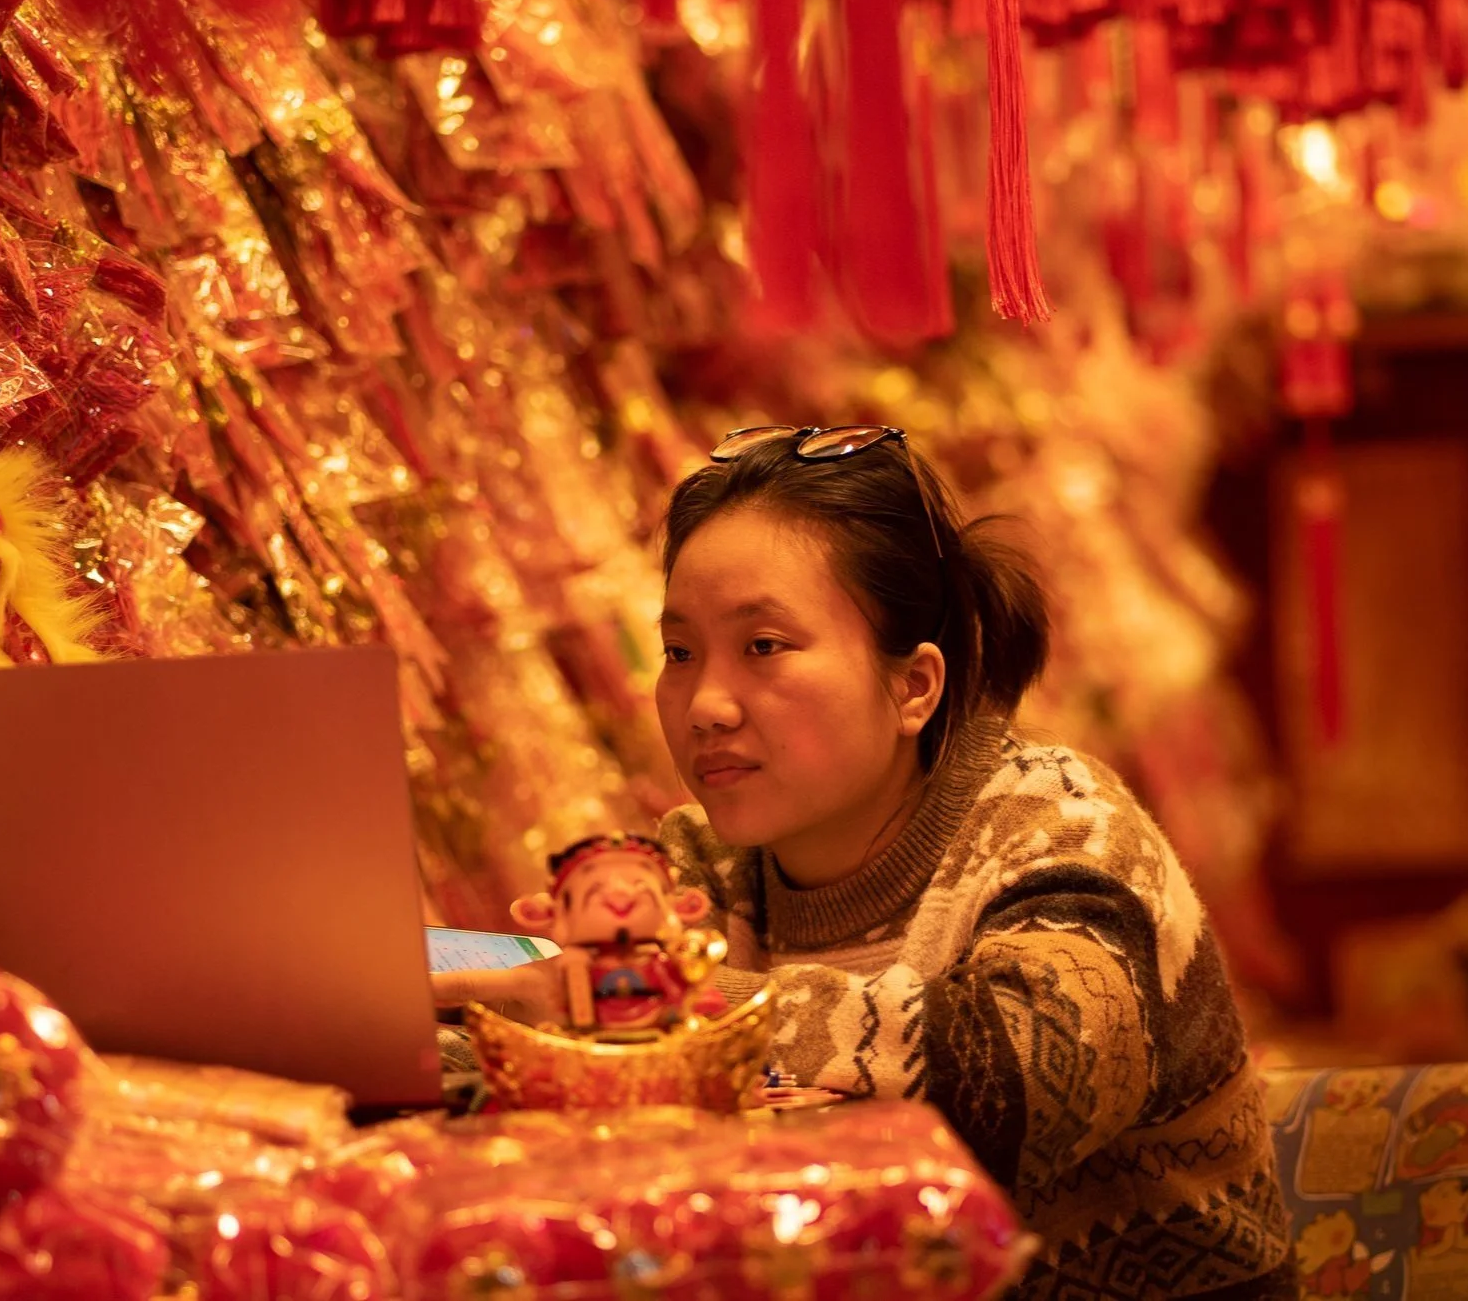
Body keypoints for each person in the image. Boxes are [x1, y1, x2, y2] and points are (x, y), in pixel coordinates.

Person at [437, 425, 1294, 1300]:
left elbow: (1025, 1080)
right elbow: (565, 1049)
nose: (705, 706)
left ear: (914, 686)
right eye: (680, 653)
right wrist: (479, 1015)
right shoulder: (698, 864)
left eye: (763, 647)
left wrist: (649, 993)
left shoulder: (1056, 823)